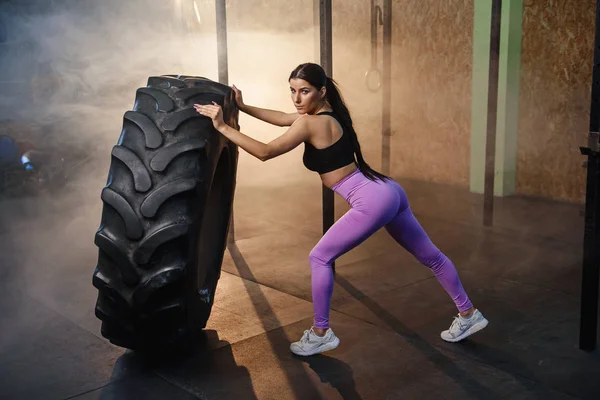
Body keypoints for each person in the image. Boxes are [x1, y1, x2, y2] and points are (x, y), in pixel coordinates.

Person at [194, 62, 488, 357]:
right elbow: (285, 118)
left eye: (304, 92)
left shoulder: (310, 123)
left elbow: (266, 152)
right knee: (432, 258)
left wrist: (222, 127)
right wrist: (243, 107)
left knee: (320, 257)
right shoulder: (325, 112)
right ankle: (468, 313)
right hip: (389, 190)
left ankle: (321, 332)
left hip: (371, 199)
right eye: (293, 91)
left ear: (320, 92)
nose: (297, 99)